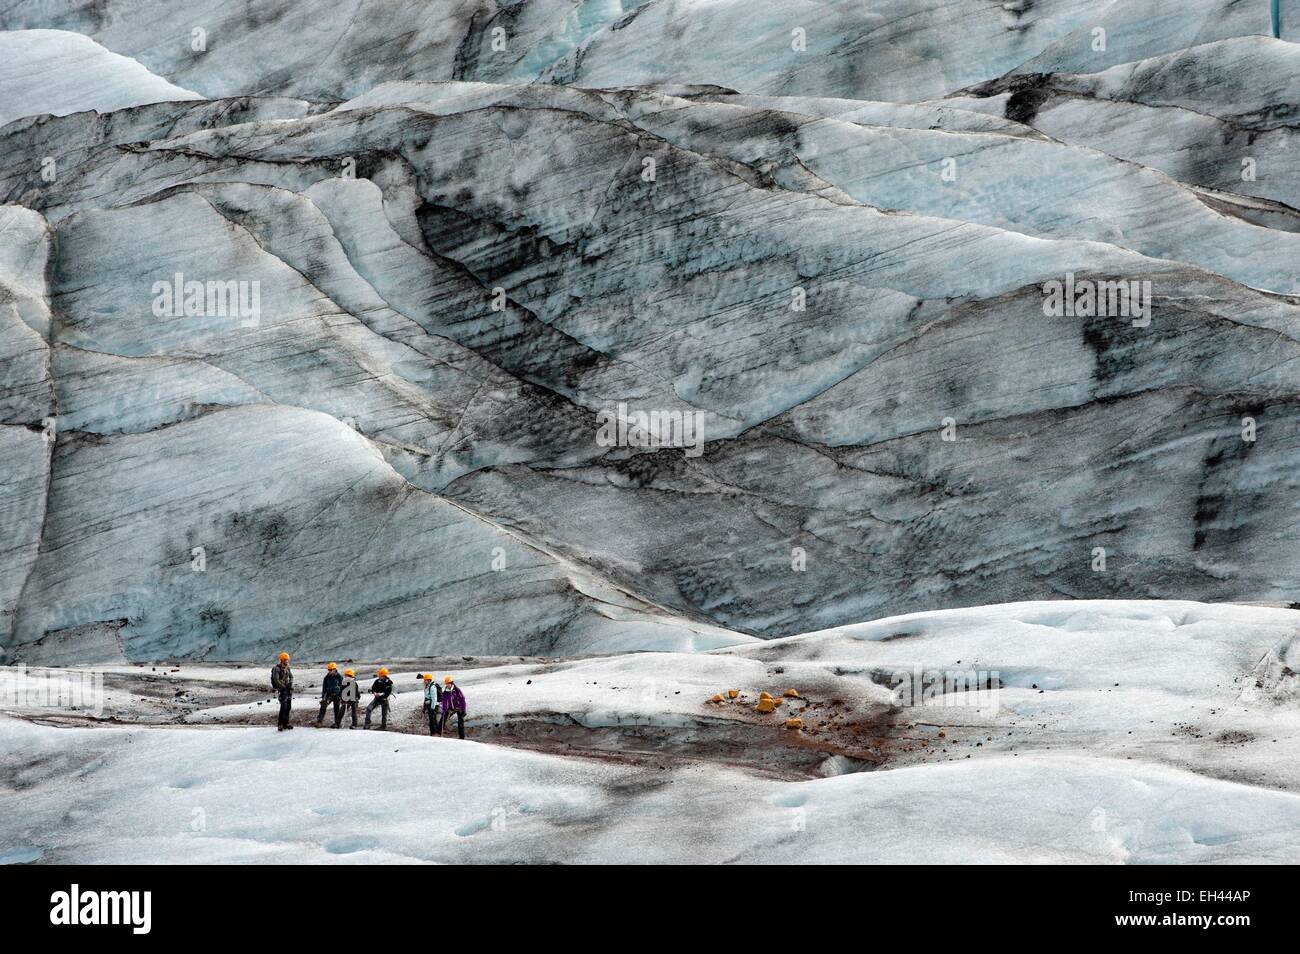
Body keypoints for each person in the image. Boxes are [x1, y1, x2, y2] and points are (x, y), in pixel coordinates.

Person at [271, 652, 293, 731]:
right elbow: (276, 680)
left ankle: (286, 723)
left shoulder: (287, 668)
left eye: (287, 659)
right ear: (281, 660)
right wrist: (283, 687)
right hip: (282, 689)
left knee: (288, 706)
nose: (286, 661)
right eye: (285, 659)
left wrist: (290, 683)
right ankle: (280, 724)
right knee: (284, 707)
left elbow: (291, 676)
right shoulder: (276, 669)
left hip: (287, 688)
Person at [316, 662, 343, 727]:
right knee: (323, 706)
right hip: (329, 694)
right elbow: (324, 688)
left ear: (334, 669)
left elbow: (342, 687)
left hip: (337, 695)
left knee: (336, 709)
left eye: (331, 670)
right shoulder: (326, 677)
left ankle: (337, 723)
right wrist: (323, 697)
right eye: (329, 670)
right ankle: (319, 722)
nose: (329, 671)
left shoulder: (339, 677)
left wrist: (341, 696)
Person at [440, 675, 467, 739]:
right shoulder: (446, 691)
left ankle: (462, 737)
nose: (447, 685)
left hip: (459, 707)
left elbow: (462, 699)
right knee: (443, 719)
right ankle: (438, 733)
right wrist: (444, 709)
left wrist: (464, 709)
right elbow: (444, 701)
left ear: (451, 683)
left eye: (448, 683)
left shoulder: (457, 690)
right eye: (446, 683)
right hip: (451, 708)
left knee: (460, 723)